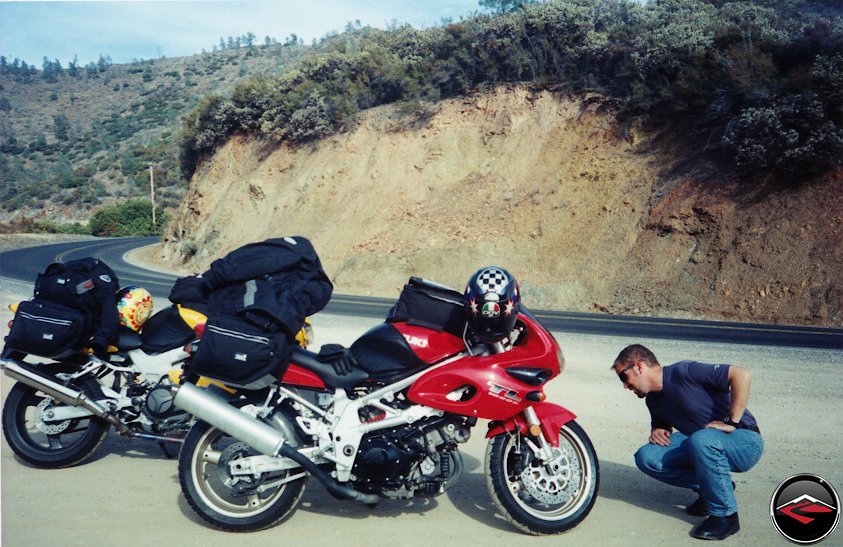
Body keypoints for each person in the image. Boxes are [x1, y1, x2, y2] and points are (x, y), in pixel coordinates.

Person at [611, 344, 763, 541]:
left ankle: (726, 516)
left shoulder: (685, 371)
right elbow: (663, 427)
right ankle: (713, 490)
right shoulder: (653, 400)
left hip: (745, 441)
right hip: (703, 441)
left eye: (623, 377)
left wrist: (731, 421)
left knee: (701, 439)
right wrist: (658, 431)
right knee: (648, 457)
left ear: (638, 366)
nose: (624, 385)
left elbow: (742, 374)